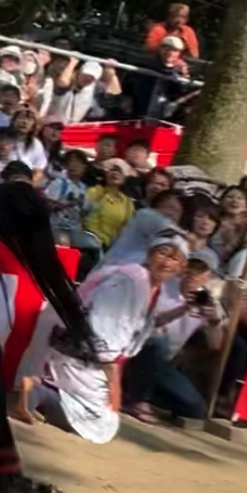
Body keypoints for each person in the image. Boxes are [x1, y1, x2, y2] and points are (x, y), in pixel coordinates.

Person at [19, 232, 190, 442]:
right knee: (104, 424)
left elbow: (137, 329)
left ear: (181, 267)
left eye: (174, 259)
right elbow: (102, 331)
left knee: (107, 417)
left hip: (85, 355)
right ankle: (40, 393)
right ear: (150, 253)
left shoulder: (148, 285)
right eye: (163, 253)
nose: (166, 263)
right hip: (75, 354)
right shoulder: (131, 280)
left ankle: (46, 394)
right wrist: (113, 383)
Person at [122, 257, 223, 423]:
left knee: (196, 409)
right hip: (138, 353)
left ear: (206, 279)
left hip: (163, 365)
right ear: (182, 274)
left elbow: (216, 345)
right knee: (161, 342)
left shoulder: (207, 302)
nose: (193, 280)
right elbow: (150, 324)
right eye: (190, 275)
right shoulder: (163, 291)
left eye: (199, 277)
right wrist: (182, 309)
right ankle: (138, 401)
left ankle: (135, 391)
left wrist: (213, 322)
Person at [101, 188, 183, 268]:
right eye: (170, 207)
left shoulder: (167, 240)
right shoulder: (143, 215)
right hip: (112, 269)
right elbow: (164, 225)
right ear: (156, 207)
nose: (173, 214)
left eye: (178, 211)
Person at [84, 158, 137, 250]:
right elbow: (84, 216)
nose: (115, 173)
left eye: (119, 171)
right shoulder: (93, 191)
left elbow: (127, 228)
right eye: (112, 170)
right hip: (88, 241)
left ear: (125, 178)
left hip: (112, 246)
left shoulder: (128, 203)